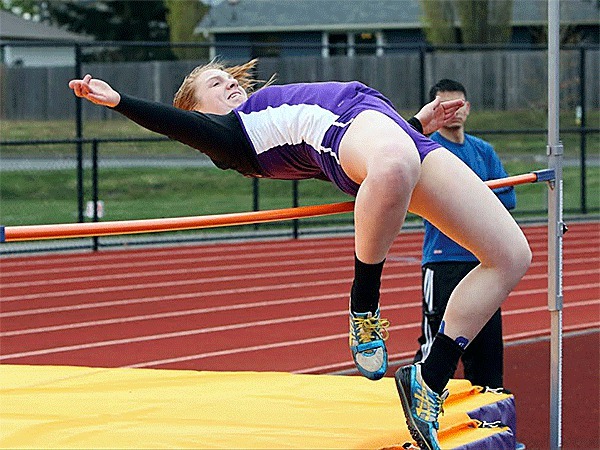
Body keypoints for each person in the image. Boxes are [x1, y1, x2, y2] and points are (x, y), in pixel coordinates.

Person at [69, 59, 531, 450]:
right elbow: (177, 123)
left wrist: (418, 123)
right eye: (214, 84)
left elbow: (376, 142)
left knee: (511, 255)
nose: (229, 83)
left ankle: (428, 379)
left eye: (228, 78)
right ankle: (363, 304)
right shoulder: (232, 135)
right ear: (198, 114)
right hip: (357, 128)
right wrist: (119, 102)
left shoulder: (261, 111)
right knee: (393, 167)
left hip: (387, 127)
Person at [414, 79, 516, 390]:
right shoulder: (429, 151)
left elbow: (509, 198)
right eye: (445, 107)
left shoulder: (483, 151)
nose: (453, 112)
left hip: (484, 264)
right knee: (436, 348)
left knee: (486, 352)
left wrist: (463, 199)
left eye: (458, 105)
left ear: (468, 108)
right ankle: (420, 405)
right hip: (444, 262)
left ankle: (490, 424)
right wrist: (478, 198)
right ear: (434, 110)